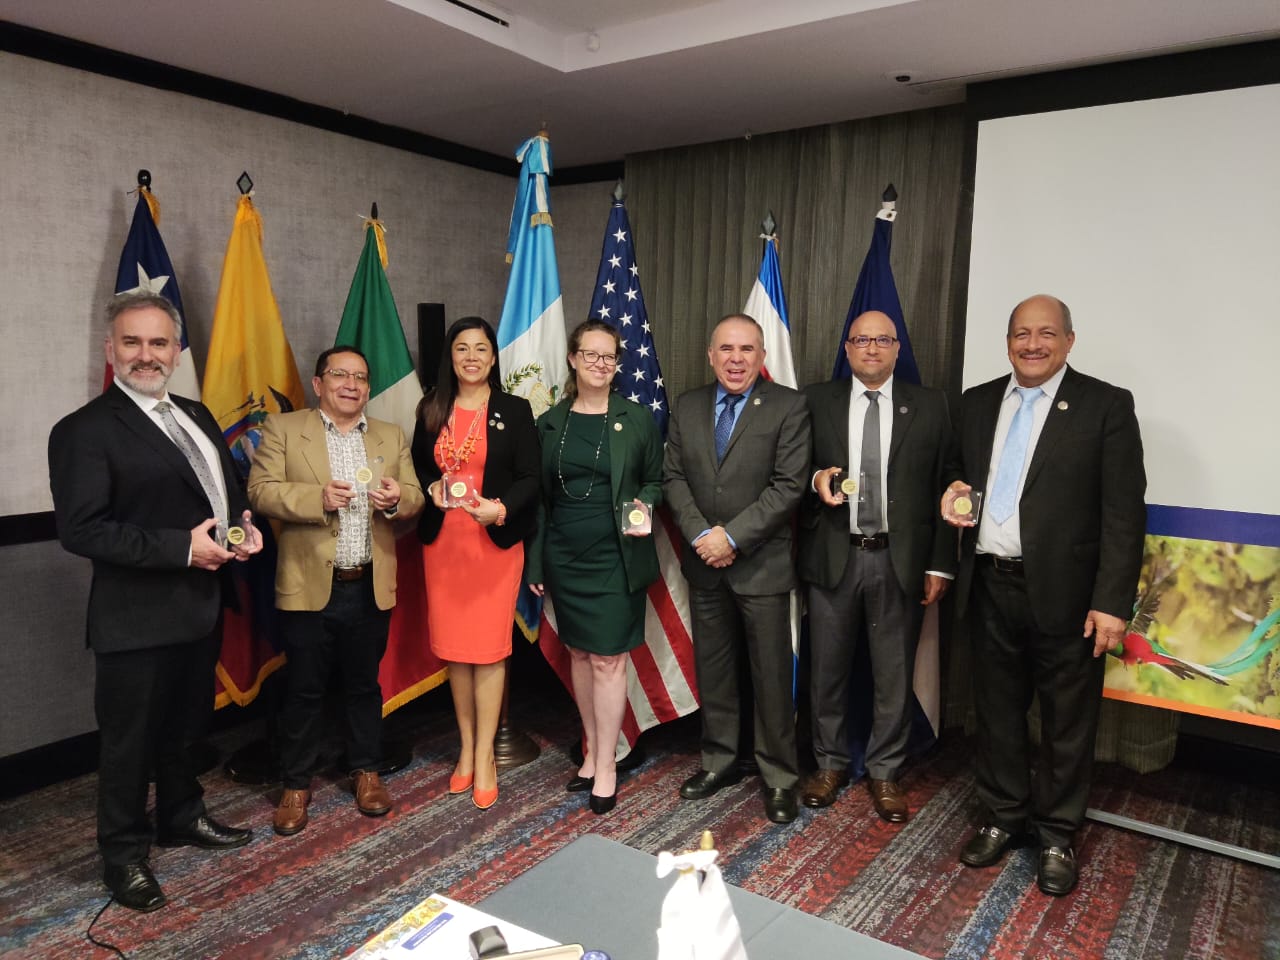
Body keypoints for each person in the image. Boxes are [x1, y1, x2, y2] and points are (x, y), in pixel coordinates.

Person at [48, 291, 259, 912]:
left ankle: (181, 815)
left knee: (185, 729)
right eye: (133, 342)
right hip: (134, 619)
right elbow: (82, 531)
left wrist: (243, 526)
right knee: (128, 746)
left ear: (176, 351)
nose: (147, 354)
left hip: (201, 605)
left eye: (159, 342)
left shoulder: (195, 412)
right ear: (110, 349)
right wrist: (181, 549)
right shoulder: (84, 430)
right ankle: (123, 855)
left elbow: (223, 489)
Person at [942, 294, 1145, 896]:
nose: (1033, 344)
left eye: (1046, 333)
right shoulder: (976, 402)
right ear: (1007, 342)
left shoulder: (1106, 406)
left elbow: (1123, 514)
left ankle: (1057, 833)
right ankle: (1003, 816)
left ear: (1069, 341)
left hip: (1069, 596)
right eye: (1022, 334)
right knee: (997, 713)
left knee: (1066, 723)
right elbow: (957, 476)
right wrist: (952, 492)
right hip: (989, 586)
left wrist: (1112, 602)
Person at [248, 345, 423, 836]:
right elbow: (260, 490)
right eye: (340, 375)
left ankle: (366, 770)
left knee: (364, 685)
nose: (352, 384)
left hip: (368, 584)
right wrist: (316, 498)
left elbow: (415, 495)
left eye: (361, 377)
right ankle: (296, 783)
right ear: (319, 383)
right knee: (304, 689)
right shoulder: (285, 429)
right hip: (308, 586)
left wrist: (397, 500)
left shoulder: (389, 434)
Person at [798, 310, 957, 821]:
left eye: (882, 340)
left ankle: (885, 770)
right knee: (826, 671)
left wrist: (940, 565)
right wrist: (816, 479)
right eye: (862, 339)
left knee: (893, 675)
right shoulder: (815, 400)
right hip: (834, 556)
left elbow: (948, 483)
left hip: (899, 560)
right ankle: (829, 763)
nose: (871, 348)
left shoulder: (930, 405)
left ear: (897, 348)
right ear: (847, 348)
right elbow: (791, 467)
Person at [664, 313, 810, 824]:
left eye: (747, 349)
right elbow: (673, 478)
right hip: (705, 564)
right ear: (710, 355)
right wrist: (703, 538)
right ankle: (719, 761)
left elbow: (789, 486)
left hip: (761, 566)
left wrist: (731, 538)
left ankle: (779, 777)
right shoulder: (688, 405)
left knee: (771, 677)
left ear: (762, 356)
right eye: (726, 348)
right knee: (716, 670)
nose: (736, 359)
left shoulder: (789, 406)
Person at [526, 320, 664, 815]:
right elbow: (540, 502)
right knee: (581, 655)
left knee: (608, 660)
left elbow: (656, 480)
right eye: (591, 355)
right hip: (565, 556)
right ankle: (590, 749)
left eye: (610, 356)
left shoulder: (637, 418)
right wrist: (536, 562)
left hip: (617, 557)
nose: (601, 364)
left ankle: (607, 763)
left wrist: (645, 504)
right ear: (573, 359)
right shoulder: (550, 423)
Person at [411, 317, 539, 810]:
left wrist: (501, 509)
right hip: (444, 546)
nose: (471, 357)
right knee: (456, 651)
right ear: (451, 356)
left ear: (493, 356)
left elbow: (530, 477)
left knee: (487, 650)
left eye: (480, 348)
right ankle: (465, 747)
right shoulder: (431, 407)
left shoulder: (514, 409)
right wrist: (431, 487)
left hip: (492, 545)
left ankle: (485, 756)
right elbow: (420, 466)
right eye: (462, 348)